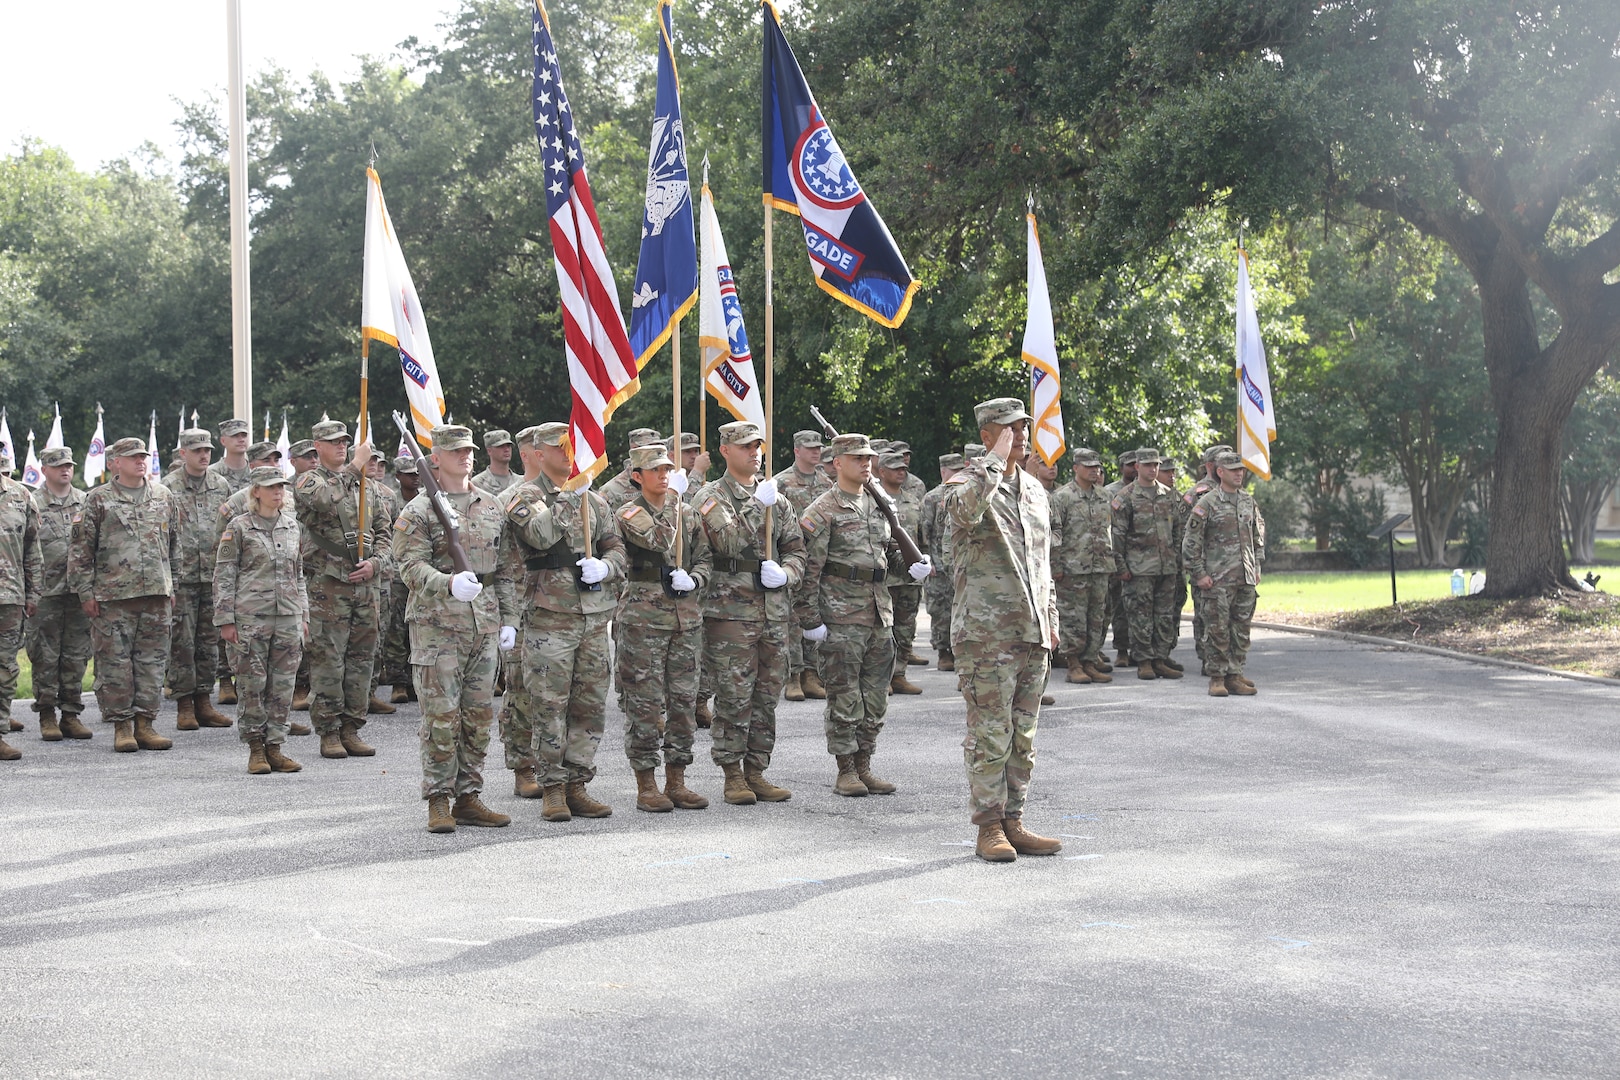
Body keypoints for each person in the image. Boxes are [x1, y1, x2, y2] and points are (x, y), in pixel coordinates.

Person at [944, 399, 1063, 863]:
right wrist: (993, 460)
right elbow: (963, 515)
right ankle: (988, 826)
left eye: (1025, 426)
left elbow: (1042, 562)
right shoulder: (968, 483)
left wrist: (1050, 617)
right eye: (1014, 428)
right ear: (990, 432)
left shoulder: (1034, 489)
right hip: (986, 633)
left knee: (1023, 735)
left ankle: (1014, 820)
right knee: (990, 733)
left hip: (1031, 630)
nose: (1025, 433)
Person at [393, 425, 519, 833]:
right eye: (455, 451)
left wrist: (510, 618)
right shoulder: (417, 511)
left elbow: (506, 570)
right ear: (435, 459)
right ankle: (438, 799)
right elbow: (409, 566)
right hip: (437, 625)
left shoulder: (492, 505)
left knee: (478, 715)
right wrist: (446, 582)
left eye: (468, 450)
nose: (465, 457)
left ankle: (469, 796)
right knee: (441, 717)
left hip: (483, 623)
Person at [502, 422, 626, 821]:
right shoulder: (525, 496)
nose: (569, 453)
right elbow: (539, 534)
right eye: (560, 447)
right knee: (549, 706)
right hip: (549, 619)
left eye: (572, 445)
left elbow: (618, 550)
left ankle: (578, 783)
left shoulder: (597, 501)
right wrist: (571, 495)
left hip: (593, 619)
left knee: (589, 705)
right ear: (538, 454)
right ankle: (552, 786)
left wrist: (605, 568)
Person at [798, 433, 928, 796]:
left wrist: (913, 567)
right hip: (840, 615)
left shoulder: (877, 504)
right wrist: (810, 619)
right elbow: (809, 569)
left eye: (868, 457)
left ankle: (865, 764)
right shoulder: (823, 509)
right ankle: (845, 770)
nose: (866, 462)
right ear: (837, 463)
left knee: (875, 696)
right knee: (844, 695)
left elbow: (890, 555)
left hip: (878, 613)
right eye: (857, 458)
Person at [693, 420, 806, 805]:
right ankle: (731, 773)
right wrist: (759, 505)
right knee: (733, 695)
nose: (754, 452)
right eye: (745, 446)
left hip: (773, 612)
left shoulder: (777, 498)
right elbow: (728, 541)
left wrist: (786, 574)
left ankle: (757, 770)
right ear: (725, 451)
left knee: (766, 695)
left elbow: (796, 550)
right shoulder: (711, 497)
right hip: (730, 613)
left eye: (757, 445)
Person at [614, 443, 712, 811]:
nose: (664, 474)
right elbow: (658, 538)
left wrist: (696, 580)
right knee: (645, 704)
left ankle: (677, 780)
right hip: (643, 620)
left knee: (684, 703)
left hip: (685, 619)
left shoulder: (687, 513)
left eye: (667, 468)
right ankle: (646, 784)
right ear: (637, 476)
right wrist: (674, 499)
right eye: (655, 469)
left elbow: (705, 558)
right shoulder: (628, 511)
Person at [68, 437, 179, 753]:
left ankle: (146, 724)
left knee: (152, 663)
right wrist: (85, 592)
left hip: (156, 594)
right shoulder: (98, 500)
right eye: (132, 457)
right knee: (115, 664)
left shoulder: (163, 496)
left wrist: (174, 586)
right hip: (113, 596)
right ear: (114, 462)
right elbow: (80, 550)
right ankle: (122, 727)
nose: (139, 461)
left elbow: (175, 545)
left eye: (142, 456)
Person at [295, 420, 392, 759]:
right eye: (333, 442)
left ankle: (352, 726)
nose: (341, 446)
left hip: (365, 586)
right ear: (317, 446)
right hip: (328, 584)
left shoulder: (370, 488)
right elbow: (322, 501)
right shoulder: (309, 480)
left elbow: (385, 532)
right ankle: (329, 730)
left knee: (362, 659)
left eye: (345, 442)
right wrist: (354, 466)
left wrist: (376, 563)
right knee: (328, 660)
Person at [214, 467, 308, 775]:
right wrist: (225, 618)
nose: (278, 492)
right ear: (256, 491)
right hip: (251, 617)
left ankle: (276, 747)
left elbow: (299, 574)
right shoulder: (239, 527)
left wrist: (303, 614)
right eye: (271, 487)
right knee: (252, 684)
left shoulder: (293, 526)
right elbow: (225, 575)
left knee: (282, 687)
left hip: (288, 617)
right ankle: (255, 748)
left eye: (281, 486)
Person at [163, 428, 235, 731]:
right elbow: (161, 536)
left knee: (209, 641)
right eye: (196, 451)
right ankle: (184, 704)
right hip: (183, 577)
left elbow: (233, 529)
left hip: (213, 576)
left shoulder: (221, 485)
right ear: (183, 454)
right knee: (182, 642)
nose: (204, 455)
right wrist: (168, 581)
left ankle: (204, 701)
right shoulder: (167, 488)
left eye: (206, 450)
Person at [1184, 452, 1265, 697]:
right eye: (1233, 470)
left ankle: (1235, 674)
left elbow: (1257, 537)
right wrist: (1199, 574)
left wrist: (1257, 566)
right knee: (1217, 629)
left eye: (1241, 469)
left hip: (1245, 577)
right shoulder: (1207, 503)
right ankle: (1217, 678)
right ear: (1220, 472)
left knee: (1241, 629)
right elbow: (1191, 543)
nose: (1239, 473)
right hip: (1217, 579)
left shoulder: (1248, 501)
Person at [26, 447, 92, 742]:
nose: (65, 470)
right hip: (46, 593)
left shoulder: (86, 501)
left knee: (76, 656)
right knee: (44, 656)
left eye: (68, 465)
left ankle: (70, 714)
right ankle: (47, 714)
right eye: (58, 466)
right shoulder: (33, 503)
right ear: (45, 470)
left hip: (78, 592)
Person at [1112, 448, 1185, 680]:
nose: (1153, 469)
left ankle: (1160, 659)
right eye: (1147, 465)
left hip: (1167, 567)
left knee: (1164, 615)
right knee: (1140, 616)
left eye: (1155, 465)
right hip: (1139, 569)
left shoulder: (1169, 495)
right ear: (1137, 467)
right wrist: (1121, 567)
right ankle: (1143, 661)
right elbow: (1117, 536)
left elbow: (1178, 529)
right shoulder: (1126, 497)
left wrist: (1177, 558)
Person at [1049, 447, 1116, 685]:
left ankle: (1090, 661)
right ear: (1076, 468)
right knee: (1073, 619)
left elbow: (1112, 530)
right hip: (1072, 569)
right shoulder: (1063, 497)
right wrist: (1055, 565)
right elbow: (1054, 534)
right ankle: (1074, 664)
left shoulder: (1104, 496)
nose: (1094, 471)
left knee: (1096, 618)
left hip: (1100, 567)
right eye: (1088, 467)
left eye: (1096, 467)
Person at [777, 429, 832, 702]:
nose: (816, 451)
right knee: (792, 619)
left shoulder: (827, 481)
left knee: (815, 614)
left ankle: (812, 673)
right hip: (792, 559)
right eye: (809, 447)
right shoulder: (782, 482)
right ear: (797, 450)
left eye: (818, 446)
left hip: (821, 560)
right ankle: (793, 676)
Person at [0, 447, 42, 760]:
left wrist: (33, 593)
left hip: (9, 597)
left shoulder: (21, 497)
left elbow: (32, 551)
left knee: (4, 669)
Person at [876, 450, 926, 692]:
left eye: (903, 468)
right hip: (886, 577)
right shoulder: (876, 500)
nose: (901, 472)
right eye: (895, 468)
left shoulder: (914, 500)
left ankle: (899, 674)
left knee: (906, 629)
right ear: (881, 471)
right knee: (884, 631)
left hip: (911, 576)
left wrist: (926, 562)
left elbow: (922, 537)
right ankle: (883, 677)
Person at [1185, 444, 1233, 674]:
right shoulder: (1200, 494)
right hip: (1206, 567)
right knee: (1205, 614)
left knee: (1229, 616)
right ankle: (1208, 658)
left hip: (1230, 567)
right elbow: (1187, 534)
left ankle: (1227, 659)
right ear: (1211, 466)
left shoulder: (1234, 492)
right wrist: (1196, 569)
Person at [919, 452, 963, 671]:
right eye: (952, 471)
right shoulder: (932, 497)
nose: (956, 475)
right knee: (939, 610)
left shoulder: (966, 494)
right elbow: (924, 532)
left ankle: (959, 650)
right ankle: (943, 651)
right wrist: (928, 561)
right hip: (937, 565)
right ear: (943, 472)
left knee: (960, 609)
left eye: (960, 470)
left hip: (959, 564)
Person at [382, 455, 420, 703]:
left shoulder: (427, 499)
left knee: (416, 627)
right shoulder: (391, 501)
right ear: (398, 476)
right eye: (408, 473)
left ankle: (415, 680)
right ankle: (398, 682)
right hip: (397, 572)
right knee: (396, 629)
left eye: (417, 472)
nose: (414, 477)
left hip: (420, 570)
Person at [1103, 449, 1138, 666]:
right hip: (1117, 556)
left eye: (1137, 464)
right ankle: (1122, 650)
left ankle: (1141, 651)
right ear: (1121, 467)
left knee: (1140, 609)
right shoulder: (1111, 492)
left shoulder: (1145, 489)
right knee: (1119, 608)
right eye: (1130, 464)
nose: (1134, 468)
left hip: (1142, 558)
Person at [598, 428, 663, 510]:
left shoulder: (665, 482)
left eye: (658, 450)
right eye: (649, 449)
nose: (655, 454)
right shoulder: (611, 490)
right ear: (634, 450)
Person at [208, 418, 253, 493]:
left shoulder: (255, 472)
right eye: (235, 436)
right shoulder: (211, 474)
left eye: (244, 435)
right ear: (223, 441)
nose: (241, 440)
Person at [471, 429, 521, 496]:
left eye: (508, 445)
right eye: (501, 446)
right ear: (489, 451)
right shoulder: (477, 483)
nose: (506, 449)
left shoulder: (520, 481)